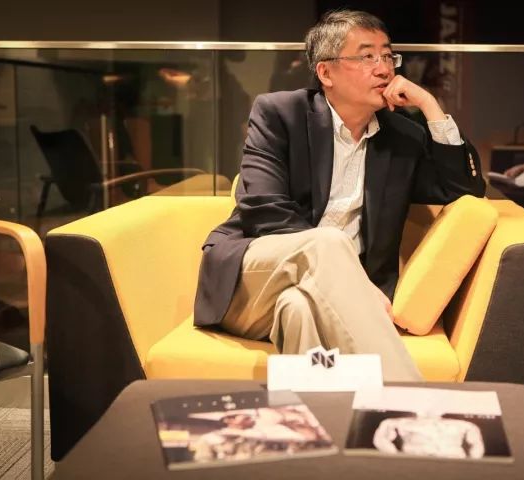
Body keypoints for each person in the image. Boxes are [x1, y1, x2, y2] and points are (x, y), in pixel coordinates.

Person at [194, 9, 485, 382]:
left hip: (318, 295)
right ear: (326, 73)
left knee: (297, 308)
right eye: (367, 57)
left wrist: (430, 106)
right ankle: (410, 398)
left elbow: (463, 188)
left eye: (388, 56)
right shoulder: (280, 114)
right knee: (328, 243)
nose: (383, 69)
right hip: (251, 282)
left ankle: (313, 415)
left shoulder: (402, 137)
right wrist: (357, 284)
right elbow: (262, 208)